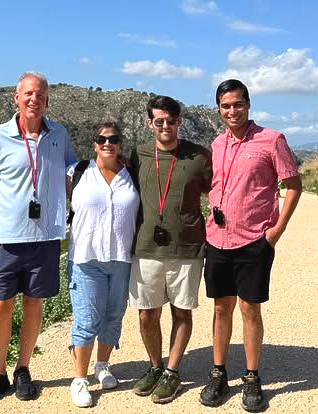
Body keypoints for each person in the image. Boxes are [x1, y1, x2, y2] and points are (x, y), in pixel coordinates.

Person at [0, 71, 76, 405]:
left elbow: (73, 172)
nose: (35, 99)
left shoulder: (59, 134)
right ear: (16, 97)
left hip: (46, 238)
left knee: (34, 304)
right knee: (2, 305)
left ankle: (23, 368)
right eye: (29, 93)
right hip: (8, 238)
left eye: (42, 95)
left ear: (47, 101)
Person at [199, 79, 302, 412]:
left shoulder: (272, 140)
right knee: (220, 307)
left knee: (249, 309)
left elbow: (294, 184)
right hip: (217, 239)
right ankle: (218, 373)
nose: (232, 111)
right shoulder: (216, 144)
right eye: (226, 106)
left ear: (248, 104)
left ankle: (252, 376)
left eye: (238, 104)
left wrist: (277, 230)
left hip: (253, 240)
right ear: (219, 109)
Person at [129, 95, 212, 404]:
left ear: (180, 122)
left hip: (187, 247)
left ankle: (172, 371)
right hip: (147, 247)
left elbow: (217, 190)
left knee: (181, 311)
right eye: (159, 121)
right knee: (147, 315)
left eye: (171, 120)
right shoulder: (138, 156)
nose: (165, 126)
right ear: (150, 123)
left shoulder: (199, 157)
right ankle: (154, 366)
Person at [67, 121, 140, 408]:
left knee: (112, 317)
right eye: (101, 139)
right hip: (86, 259)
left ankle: (102, 366)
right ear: (94, 143)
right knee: (87, 320)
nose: (107, 143)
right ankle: (79, 379)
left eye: (113, 138)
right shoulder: (77, 173)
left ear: (120, 143)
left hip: (121, 258)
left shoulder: (131, 175)